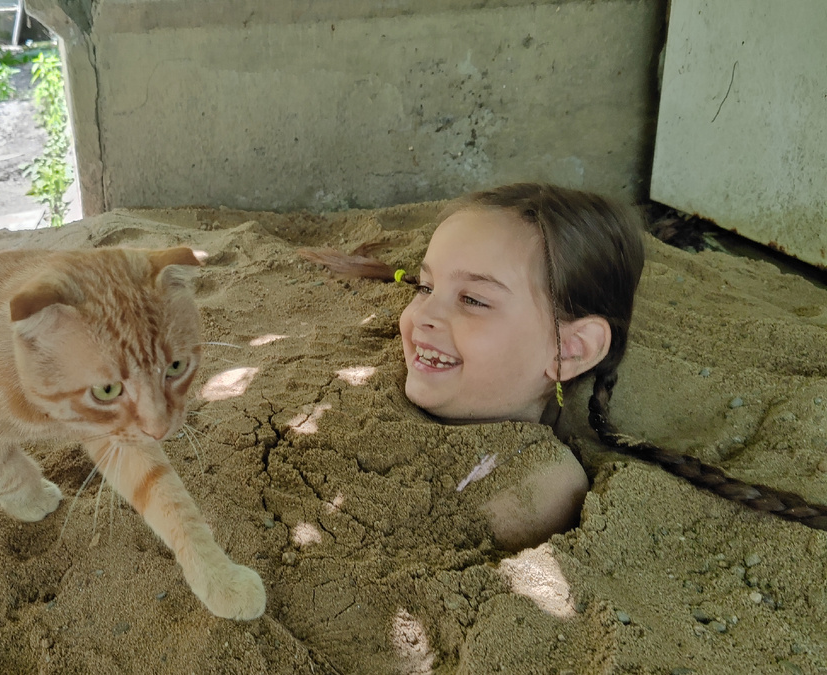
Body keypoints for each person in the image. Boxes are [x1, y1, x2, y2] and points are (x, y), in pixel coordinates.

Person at [304, 182, 827, 548]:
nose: (422, 316)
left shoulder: (535, 489)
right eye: (425, 285)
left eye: (474, 301)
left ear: (569, 350)